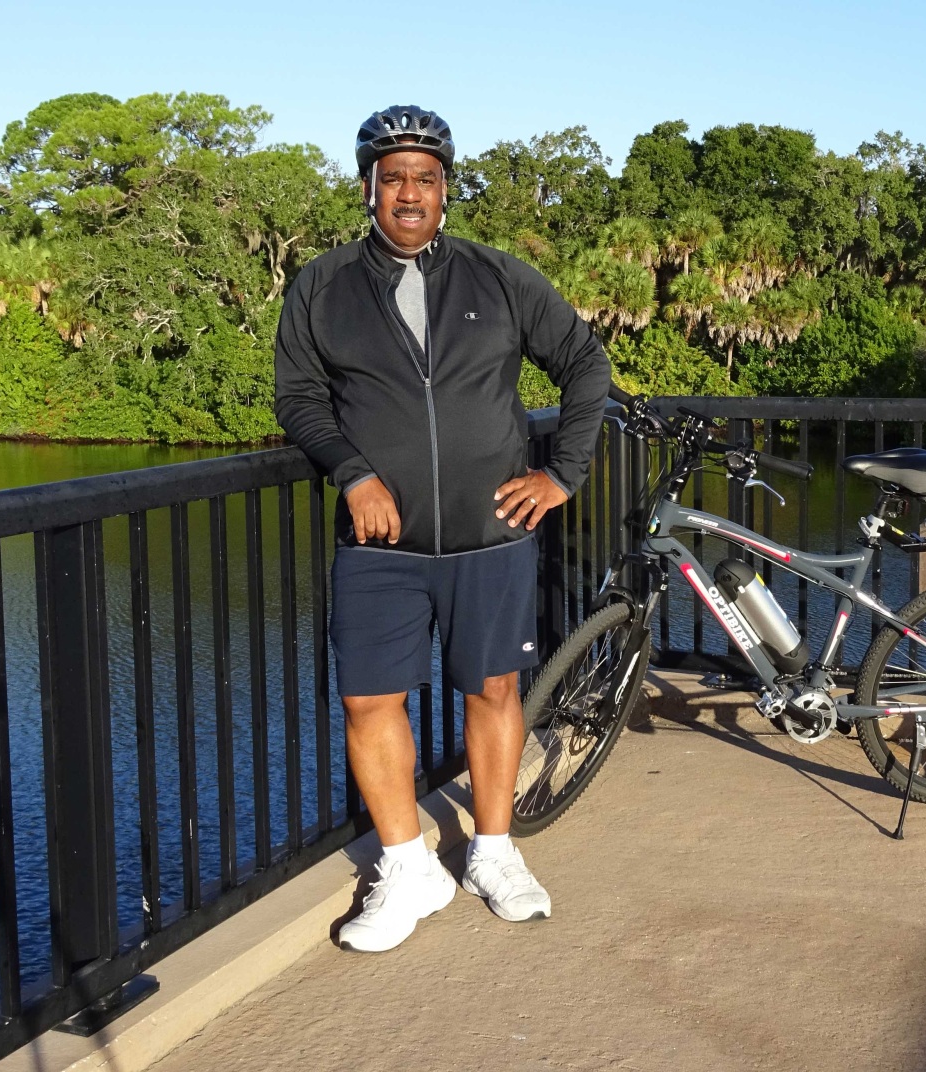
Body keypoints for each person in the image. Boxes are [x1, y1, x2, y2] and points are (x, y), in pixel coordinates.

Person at [275, 106, 611, 953]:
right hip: (380, 545)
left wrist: (561, 473)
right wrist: (351, 471)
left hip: (491, 535)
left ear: (446, 190)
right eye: (394, 179)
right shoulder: (322, 285)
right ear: (369, 189)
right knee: (368, 699)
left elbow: (584, 364)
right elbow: (300, 397)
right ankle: (407, 866)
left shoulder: (499, 278)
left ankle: (493, 852)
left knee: (493, 691)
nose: (410, 193)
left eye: (426, 178)